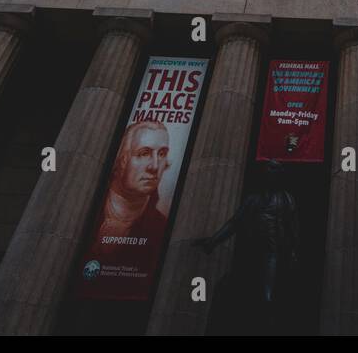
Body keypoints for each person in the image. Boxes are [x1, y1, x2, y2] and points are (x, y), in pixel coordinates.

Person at [193, 160, 299, 331]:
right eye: (267, 168)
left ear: (279, 173)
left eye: (273, 168)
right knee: (239, 293)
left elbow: (293, 228)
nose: (269, 171)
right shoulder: (253, 200)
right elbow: (234, 223)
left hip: (274, 254)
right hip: (252, 251)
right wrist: (213, 241)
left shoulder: (286, 199)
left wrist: (293, 252)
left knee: (268, 296)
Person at [97, 120, 171, 246]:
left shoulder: (160, 226)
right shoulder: (90, 204)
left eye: (162, 154)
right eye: (144, 153)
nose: (154, 166)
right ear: (122, 159)